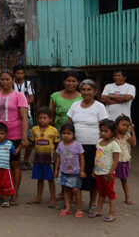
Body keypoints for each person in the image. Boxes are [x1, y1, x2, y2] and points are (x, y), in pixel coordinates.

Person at [66, 79, 108, 211]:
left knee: (92, 175)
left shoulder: (99, 106)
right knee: (74, 173)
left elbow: (104, 127)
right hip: (76, 147)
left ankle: (92, 203)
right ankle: (73, 201)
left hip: (93, 146)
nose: (86, 92)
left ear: (95, 91)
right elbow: (69, 125)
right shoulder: (75, 105)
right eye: (83, 89)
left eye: (89, 89)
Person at [0, 71, 29, 205]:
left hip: (14, 135)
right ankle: (0, 192)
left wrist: (24, 137)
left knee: (14, 164)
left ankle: (14, 194)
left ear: (13, 80)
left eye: (7, 79)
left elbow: (24, 117)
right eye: (2, 79)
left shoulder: (19, 96)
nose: (4, 82)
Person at [26, 107, 58, 206]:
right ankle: (38, 197)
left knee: (50, 179)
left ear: (50, 119)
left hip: (49, 159)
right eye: (40, 118)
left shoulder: (53, 130)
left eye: (45, 118)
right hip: (38, 159)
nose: (42, 120)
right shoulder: (34, 130)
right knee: (39, 179)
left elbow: (56, 145)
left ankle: (53, 199)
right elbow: (32, 144)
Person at [91, 120, 120, 222]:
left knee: (110, 193)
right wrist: (94, 169)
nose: (103, 133)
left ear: (112, 132)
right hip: (99, 172)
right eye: (101, 131)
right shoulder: (99, 142)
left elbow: (116, 160)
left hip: (108, 174)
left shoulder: (114, 145)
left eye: (106, 131)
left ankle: (112, 214)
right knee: (101, 193)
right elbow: (97, 157)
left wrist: (110, 172)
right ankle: (99, 210)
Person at [55, 123, 86, 218]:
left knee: (76, 190)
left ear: (73, 134)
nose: (66, 135)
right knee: (66, 190)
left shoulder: (77, 145)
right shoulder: (60, 145)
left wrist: (82, 170)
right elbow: (58, 158)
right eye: (64, 133)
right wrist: (56, 169)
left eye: (68, 133)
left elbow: (82, 158)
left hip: (75, 172)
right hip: (64, 171)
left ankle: (79, 209)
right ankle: (68, 208)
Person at [13, 65, 35, 170]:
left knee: (30, 138)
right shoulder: (10, 84)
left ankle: (26, 160)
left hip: (27, 114)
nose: (20, 75)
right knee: (15, 138)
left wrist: (22, 103)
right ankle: (17, 160)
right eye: (18, 73)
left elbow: (32, 98)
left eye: (22, 73)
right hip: (14, 115)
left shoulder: (28, 84)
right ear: (14, 74)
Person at [114, 115, 136, 205]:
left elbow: (133, 144)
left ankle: (127, 197)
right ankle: (108, 196)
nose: (125, 127)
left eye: (127, 126)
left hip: (124, 160)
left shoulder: (127, 135)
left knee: (124, 180)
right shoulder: (113, 135)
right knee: (110, 180)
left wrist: (132, 131)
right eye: (123, 125)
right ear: (116, 125)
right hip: (113, 161)